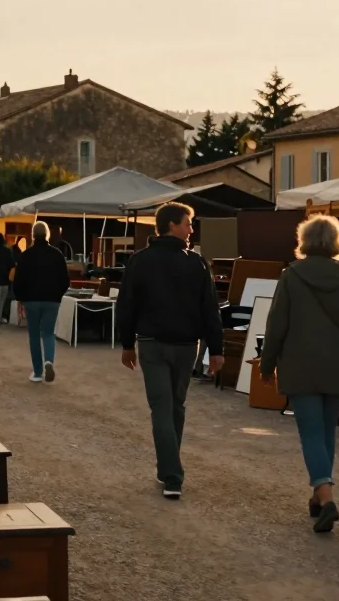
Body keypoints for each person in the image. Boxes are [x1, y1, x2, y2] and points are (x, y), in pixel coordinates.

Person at [259, 214, 339, 532]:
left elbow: (277, 325)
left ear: (305, 241)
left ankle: (326, 498)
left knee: (311, 432)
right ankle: (319, 495)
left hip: (300, 364)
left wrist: (267, 363)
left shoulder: (291, 276)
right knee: (326, 432)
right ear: (338, 243)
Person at [116, 203, 222, 500]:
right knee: (175, 406)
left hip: (152, 342)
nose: (191, 230)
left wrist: (127, 343)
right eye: (188, 223)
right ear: (172, 225)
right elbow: (210, 309)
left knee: (163, 408)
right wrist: (216, 349)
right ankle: (171, 472)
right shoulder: (197, 263)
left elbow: (127, 305)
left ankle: (169, 472)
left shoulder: (140, 261)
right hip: (187, 345)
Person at [12, 222, 69, 383]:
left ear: (32, 235)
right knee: (49, 333)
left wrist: (20, 297)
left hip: (31, 300)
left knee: (34, 336)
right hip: (52, 300)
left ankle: (37, 372)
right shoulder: (57, 254)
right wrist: (58, 295)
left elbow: (18, 280)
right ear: (47, 234)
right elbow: (65, 280)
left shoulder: (26, 255)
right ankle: (48, 361)